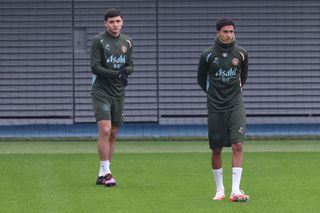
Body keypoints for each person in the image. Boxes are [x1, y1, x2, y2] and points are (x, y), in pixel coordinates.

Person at [197, 18, 249, 202]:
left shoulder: (241, 53)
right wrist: (215, 95)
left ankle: (235, 191)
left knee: (238, 145)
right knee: (217, 148)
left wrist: (232, 93)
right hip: (215, 107)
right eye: (225, 32)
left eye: (232, 32)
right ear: (218, 32)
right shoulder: (208, 55)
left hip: (236, 105)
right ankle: (220, 189)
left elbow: (243, 77)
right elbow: (201, 80)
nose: (229, 35)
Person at [90, 8, 133, 187]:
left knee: (113, 134)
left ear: (122, 22)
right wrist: (116, 74)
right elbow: (95, 67)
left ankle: (102, 173)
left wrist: (125, 72)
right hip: (101, 91)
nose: (115, 25)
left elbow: (131, 65)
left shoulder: (127, 42)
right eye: (111, 22)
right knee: (105, 130)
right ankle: (108, 173)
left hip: (118, 93)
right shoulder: (98, 41)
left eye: (118, 21)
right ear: (105, 23)